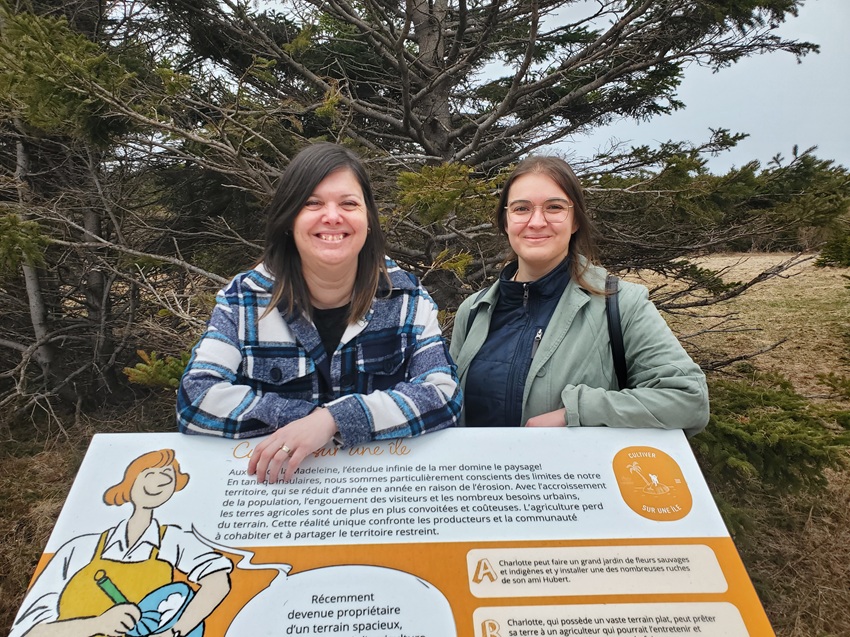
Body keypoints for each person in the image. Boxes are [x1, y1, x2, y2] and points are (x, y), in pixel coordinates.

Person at [177, 142, 461, 482]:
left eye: (349, 203)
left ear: (368, 219)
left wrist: (332, 421)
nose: (332, 216)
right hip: (277, 492)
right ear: (289, 218)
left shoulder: (407, 297)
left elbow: (443, 394)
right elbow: (197, 398)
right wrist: (298, 419)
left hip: (380, 490)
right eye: (312, 203)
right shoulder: (243, 300)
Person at [449, 156, 709, 435]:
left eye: (554, 207)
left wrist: (578, 411)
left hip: (572, 466)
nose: (536, 221)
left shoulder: (622, 304)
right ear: (505, 221)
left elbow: (688, 398)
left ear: (575, 221)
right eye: (521, 208)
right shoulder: (473, 310)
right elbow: (449, 407)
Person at [10, 449, 232, 637]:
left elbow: (218, 580)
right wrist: (97, 624)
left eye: (167, 475)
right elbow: (28, 630)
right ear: (130, 482)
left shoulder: (173, 541)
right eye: (149, 473)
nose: (159, 481)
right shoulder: (79, 548)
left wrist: (175, 631)